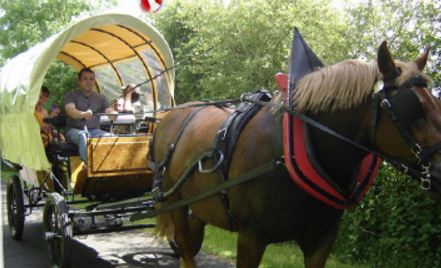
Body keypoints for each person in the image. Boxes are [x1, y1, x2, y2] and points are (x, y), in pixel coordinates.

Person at [64, 67, 117, 163]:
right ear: (79, 81)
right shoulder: (71, 95)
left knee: (111, 137)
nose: (89, 81)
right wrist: (82, 114)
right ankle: (87, 167)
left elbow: (110, 112)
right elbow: (71, 111)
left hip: (95, 131)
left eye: (91, 79)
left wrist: (113, 114)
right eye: (85, 78)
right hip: (74, 131)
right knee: (84, 135)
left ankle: (108, 166)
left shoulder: (101, 98)